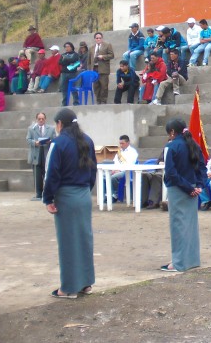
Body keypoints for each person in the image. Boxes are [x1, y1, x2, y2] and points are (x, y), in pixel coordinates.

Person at [43, 108, 97, 298]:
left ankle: (68, 288)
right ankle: (85, 283)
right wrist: (85, 189)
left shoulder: (58, 143)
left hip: (66, 195)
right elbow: (93, 170)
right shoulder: (87, 140)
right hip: (83, 194)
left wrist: (47, 198)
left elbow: (52, 173)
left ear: (59, 124)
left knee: (68, 241)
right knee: (83, 239)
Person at [161, 119, 207, 271]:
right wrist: (199, 185)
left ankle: (178, 262)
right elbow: (202, 166)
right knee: (190, 225)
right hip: (192, 187)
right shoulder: (193, 144)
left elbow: (171, 172)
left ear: (172, 132)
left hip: (178, 188)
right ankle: (192, 259)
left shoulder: (171, 146)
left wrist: (188, 188)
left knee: (178, 225)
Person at [27, 112, 55, 201]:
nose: (41, 120)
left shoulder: (51, 128)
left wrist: (49, 141)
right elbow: (28, 139)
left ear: (45, 119)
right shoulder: (31, 129)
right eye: (39, 119)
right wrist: (35, 143)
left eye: (42, 119)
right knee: (37, 175)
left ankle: (48, 193)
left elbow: (55, 139)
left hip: (46, 152)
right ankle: (38, 193)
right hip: (36, 153)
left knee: (47, 174)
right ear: (37, 119)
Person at [109, 135, 139, 203]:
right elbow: (115, 162)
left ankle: (115, 195)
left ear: (128, 143)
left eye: (122, 143)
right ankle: (108, 194)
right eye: (120, 143)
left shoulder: (133, 152)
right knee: (104, 176)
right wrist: (114, 169)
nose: (121, 145)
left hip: (127, 171)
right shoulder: (119, 152)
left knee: (113, 177)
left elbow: (130, 165)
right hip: (117, 170)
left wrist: (119, 170)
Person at [89, 32, 115, 104]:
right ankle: (98, 100)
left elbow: (111, 55)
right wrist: (90, 70)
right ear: (95, 39)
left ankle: (103, 100)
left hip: (103, 68)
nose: (98, 39)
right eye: (97, 38)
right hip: (94, 69)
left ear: (102, 38)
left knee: (104, 86)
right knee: (96, 86)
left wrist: (103, 56)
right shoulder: (91, 48)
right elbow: (89, 61)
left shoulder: (107, 45)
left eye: (100, 38)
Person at [59, 42, 81, 106]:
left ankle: (76, 102)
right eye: (65, 47)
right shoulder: (63, 54)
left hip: (72, 73)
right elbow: (60, 62)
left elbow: (75, 60)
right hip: (64, 74)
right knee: (64, 89)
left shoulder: (75, 54)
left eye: (68, 46)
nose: (67, 48)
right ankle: (64, 103)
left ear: (71, 47)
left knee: (73, 88)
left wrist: (66, 60)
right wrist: (69, 61)